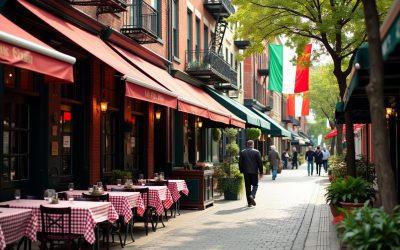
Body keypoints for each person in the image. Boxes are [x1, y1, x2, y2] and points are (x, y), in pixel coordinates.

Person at [239, 140, 263, 207]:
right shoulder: (256, 152)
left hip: (246, 172)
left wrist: (241, 170)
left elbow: (240, 163)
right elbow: (260, 163)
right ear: (252, 144)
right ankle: (252, 195)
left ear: (247, 144)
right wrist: (261, 172)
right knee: (255, 185)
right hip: (254, 172)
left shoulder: (242, 152)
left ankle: (249, 203)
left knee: (247, 187)